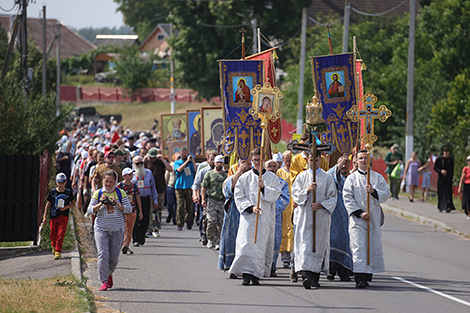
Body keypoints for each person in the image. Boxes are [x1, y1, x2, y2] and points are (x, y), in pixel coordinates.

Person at [229, 148, 282, 286]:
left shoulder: (272, 178)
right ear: (251, 161)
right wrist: (251, 207)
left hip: (265, 218)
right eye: (254, 160)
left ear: (263, 160)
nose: (257, 162)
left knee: (260, 246)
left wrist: (264, 188)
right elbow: (239, 195)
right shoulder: (245, 178)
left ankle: (256, 274)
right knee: (246, 244)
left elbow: (276, 193)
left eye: (259, 160)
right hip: (249, 217)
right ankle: (246, 274)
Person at [343, 150, 389, 288]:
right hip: (358, 219)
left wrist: (374, 192)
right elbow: (347, 197)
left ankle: (368, 274)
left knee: (371, 245)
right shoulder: (351, 178)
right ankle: (359, 277)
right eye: (361, 158)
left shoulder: (377, 177)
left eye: (365, 158)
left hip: (373, 218)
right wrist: (359, 213)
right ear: (355, 161)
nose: (363, 160)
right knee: (358, 246)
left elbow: (386, 192)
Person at [292, 151, 337, 289]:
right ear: (307, 160)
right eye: (311, 160)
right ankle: (306, 275)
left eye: (316, 160)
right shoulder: (301, 176)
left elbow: (333, 197)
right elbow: (295, 194)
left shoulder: (327, 177)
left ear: (319, 160)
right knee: (305, 244)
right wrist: (307, 190)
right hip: (305, 217)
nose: (313, 162)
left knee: (317, 246)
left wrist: (321, 205)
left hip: (320, 217)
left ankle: (315, 277)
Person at [87, 170, 132, 291]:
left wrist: (118, 204)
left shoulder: (120, 193)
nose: (108, 184)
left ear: (115, 182)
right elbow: (90, 210)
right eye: (106, 181)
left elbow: (129, 209)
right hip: (101, 227)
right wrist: (100, 203)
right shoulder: (98, 193)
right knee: (102, 254)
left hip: (117, 229)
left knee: (113, 258)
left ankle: (109, 273)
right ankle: (104, 281)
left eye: (111, 182)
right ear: (102, 181)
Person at [218, 159, 251, 273]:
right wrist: (239, 171)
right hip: (235, 211)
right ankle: (230, 263)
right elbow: (228, 190)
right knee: (233, 236)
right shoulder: (232, 177)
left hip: (251, 210)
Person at [327, 154, 353, 281]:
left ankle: (344, 271)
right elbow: (330, 174)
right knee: (334, 241)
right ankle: (331, 270)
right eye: (341, 164)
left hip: (347, 216)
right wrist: (341, 161)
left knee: (346, 243)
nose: (344, 166)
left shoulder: (351, 179)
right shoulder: (333, 178)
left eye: (346, 164)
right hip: (335, 215)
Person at [265, 159, 290, 277]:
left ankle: (271, 266)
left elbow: (285, 199)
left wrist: (272, 207)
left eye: (274, 166)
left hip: (275, 217)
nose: (271, 169)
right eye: (269, 166)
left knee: (274, 241)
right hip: (261, 216)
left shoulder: (282, 183)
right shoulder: (259, 181)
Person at [43, 173, 75, 260]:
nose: (61, 185)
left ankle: (58, 251)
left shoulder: (68, 192)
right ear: (56, 182)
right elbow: (48, 204)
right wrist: (45, 216)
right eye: (59, 182)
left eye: (62, 183)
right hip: (53, 216)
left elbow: (73, 203)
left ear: (65, 183)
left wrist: (65, 208)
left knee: (61, 233)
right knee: (53, 233)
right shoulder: (53, 192)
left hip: (64, 216)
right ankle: (53, 245)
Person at [144, 147, 172, 237]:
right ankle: (149, 228)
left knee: (158, 209)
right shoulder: (147, 162)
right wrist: (144, 159)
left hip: (160, 189)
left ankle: (156, 227)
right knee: (150, 210)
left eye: (154, 157)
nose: (153, 159)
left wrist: (163, 160)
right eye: (151, 157)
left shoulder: (160, 162)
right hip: (150, 190)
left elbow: (170, 169)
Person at [201, 155, 227, 250]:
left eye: (221, 162)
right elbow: (204, 187)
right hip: (212, 200)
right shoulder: (209, 174)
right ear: (214, 163)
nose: (219, 164)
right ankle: (210, 239)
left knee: (221, 223)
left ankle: (218, 241)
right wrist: (203, 199)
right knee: (211, 221)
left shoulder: (225, 175)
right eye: (217, 162)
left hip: (222, 201)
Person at [131, 156, 159, 246]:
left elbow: (153, 187)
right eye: (137, 163)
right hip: (135, 199)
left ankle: (142, 235)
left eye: (141, 163)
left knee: (146, 219)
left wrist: (155, 200)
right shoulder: (131, 174)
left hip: (146, 198)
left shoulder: (148, 173)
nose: (139, 165)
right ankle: (135, 238)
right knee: (135, 219)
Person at [192, 150, 217, 244]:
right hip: (205, 196)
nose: (213, 162)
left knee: (215, 219)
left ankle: (214, 237)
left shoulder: (221, 171)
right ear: (208, 159)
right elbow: (196, 183)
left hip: (216, 197)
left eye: (215, 160)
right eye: (211, 159)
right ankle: (203, 235)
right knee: (204, 217)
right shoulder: (203, 169)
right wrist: (195, 195)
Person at [276, 151, 295, 269]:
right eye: (286, 160)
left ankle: (292, 255)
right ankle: (284, 257)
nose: (288, 163)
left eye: (289, 160)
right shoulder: (280, 172)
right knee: (283, 229)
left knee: (292, 229)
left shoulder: (295, 172)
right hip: (284, 204)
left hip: (293, 204)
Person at [118, 167, 143, 255]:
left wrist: (140, 211)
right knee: (124, 229)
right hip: (122, 210)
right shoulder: (120, 186)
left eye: (131, 174)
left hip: (132, 210)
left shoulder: (134, 185)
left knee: (130, 230)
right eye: (129, 174)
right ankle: (123, 244)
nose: (131, 175)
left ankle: (127, 246)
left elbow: (137, 198)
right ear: (124, 176)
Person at [174, 148, 196, 230]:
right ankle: (180, 223)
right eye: (182, 153)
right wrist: (186, 161)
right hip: (179, 187)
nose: (184, 155)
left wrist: (192, 161)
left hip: (189, 187)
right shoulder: (177, 162)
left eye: (185, 153)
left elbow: (196, 170)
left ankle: (189, 222)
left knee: (189, 206)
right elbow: (179, 169)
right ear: (180, 154)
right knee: (180, 205)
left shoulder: (190, 163)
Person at [434, 146, 455, 212]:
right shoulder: (439, 160)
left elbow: (452, 170)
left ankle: (448, 207)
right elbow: (435, 168)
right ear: (443, 152)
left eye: (448, 153)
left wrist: (451, 179)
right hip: (441, 179)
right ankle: (441, 206)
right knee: (441, 193)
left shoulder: (451, 160)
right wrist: (441, 171)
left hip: (448, 179)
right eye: (445, 153)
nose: (446, 154)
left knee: (448, 193)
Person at [458, 155, 470, 220]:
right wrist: (459, 187)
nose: (469, 162)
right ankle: (467, 212)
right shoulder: (465, 169)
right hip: (466, 185)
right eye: (468, 161)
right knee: (466, 200)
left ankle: (469, 214)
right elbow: (462, 178)